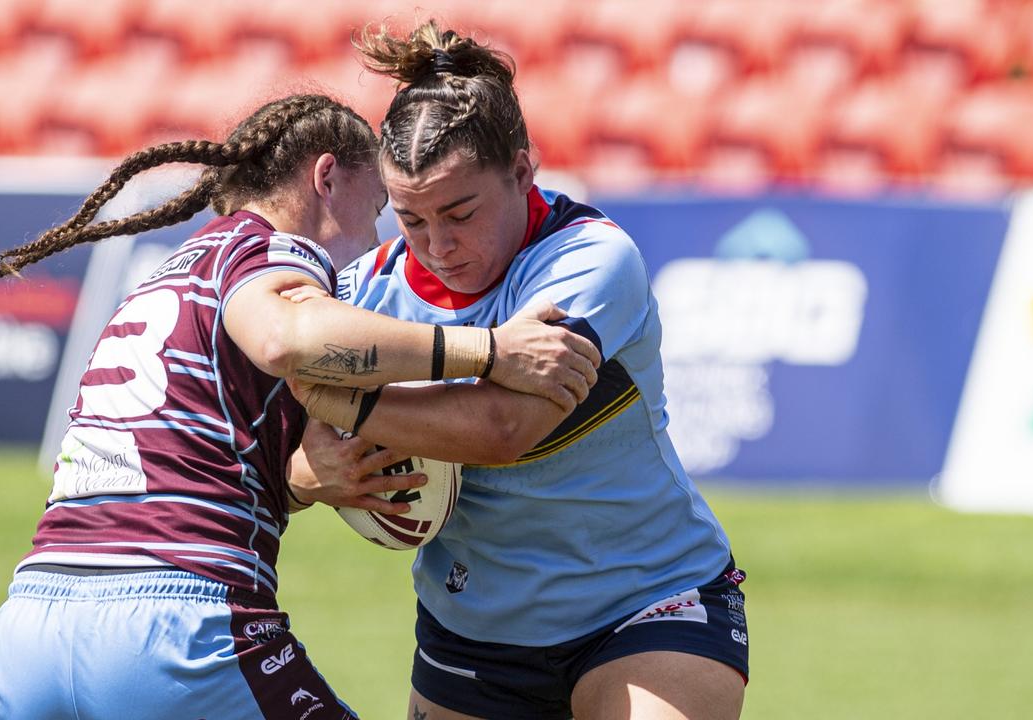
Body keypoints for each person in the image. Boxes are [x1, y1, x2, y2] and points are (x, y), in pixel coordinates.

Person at [0, 93, 601, 720]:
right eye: (378, 209)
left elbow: (193, 458)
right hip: (173, 627)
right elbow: (286, 339)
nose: (378, 241)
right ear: (327, 178)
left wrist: (301, 481)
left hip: (32, 624)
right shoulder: (268, 250)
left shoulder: (167, 276)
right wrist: (489, 350)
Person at [288, 23, 749, 720]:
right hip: (472, 635)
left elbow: (503, 428)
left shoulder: (588, 261)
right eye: (410, 219)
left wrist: (337, 399)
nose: (439, 245)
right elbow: (270, 467)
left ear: (523, 173)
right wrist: (313, 473)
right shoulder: (367, 295)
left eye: (460, 213)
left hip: (651, 601)